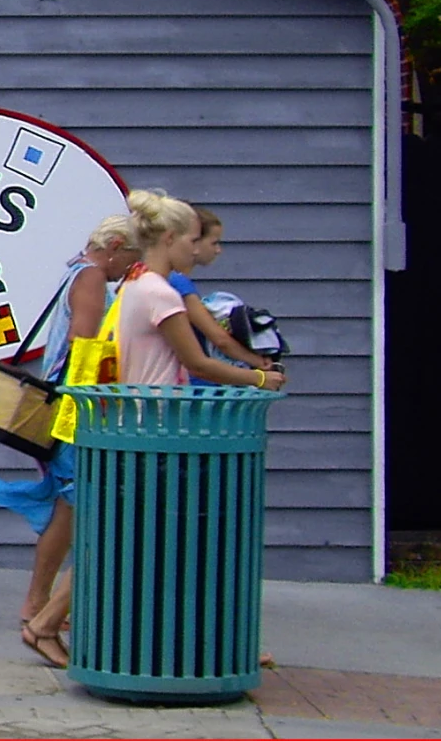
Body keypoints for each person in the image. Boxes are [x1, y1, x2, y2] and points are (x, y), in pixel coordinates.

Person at [22, 191, 283, 659]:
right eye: (193, 239)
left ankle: (47, 622)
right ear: (168, 238)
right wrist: (260, 377)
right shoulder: (158, 291)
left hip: (131, 427)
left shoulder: (132, 285)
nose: (197, 250)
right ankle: (44, 622)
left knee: (130, 538)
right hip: (149, 429)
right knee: (141, 539)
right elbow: (197, 362)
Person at [0, 214, 133, 666]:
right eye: (130, 256)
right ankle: (38, 608)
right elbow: (85, 340)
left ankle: (39, 603)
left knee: (67, 506)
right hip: (78, 409)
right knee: (73, 506)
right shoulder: (94, 276)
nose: (130, 268)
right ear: (114, 245)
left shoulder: (76, 269)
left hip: (61, 407)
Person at [175, 204, 278, 374]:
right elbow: (219, 339)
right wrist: (258, 362)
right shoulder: (179, 283)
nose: (218, 250)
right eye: (214, 243)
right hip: (194, 384)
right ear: (194, 241)